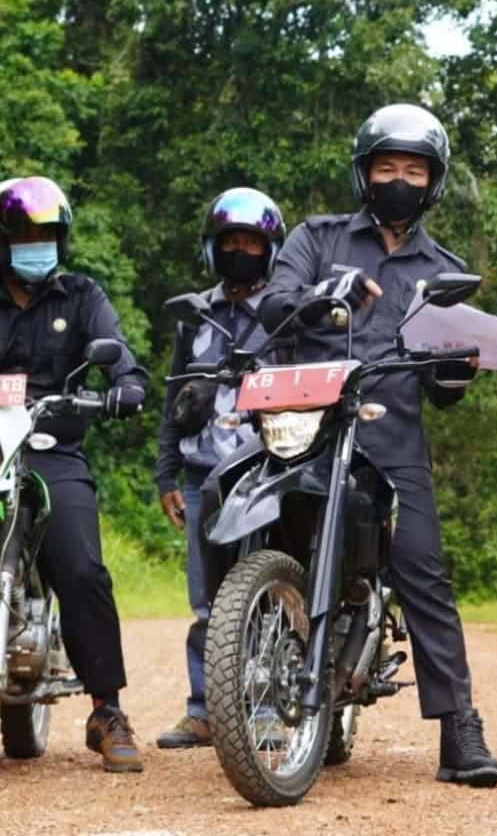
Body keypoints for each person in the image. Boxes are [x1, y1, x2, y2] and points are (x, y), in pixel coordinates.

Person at [255, 103, 497, 787]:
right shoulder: (318, 238)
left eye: (413, 170)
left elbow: (447, 392)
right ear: (364, 173)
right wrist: (324, 293)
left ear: (434, 182)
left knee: (422, 569)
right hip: (305, 434)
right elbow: (273, 307)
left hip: (392, 441)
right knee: (253, 531)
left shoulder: (443, 268)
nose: (399, 180)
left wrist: (461, 366)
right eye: (387, 167)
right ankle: (237, 680)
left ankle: (461, 729)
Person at [0, 176, 148, 772]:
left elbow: (118, 355)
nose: (38, 243)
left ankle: (106, 708)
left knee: (82, 567)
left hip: (51, 448)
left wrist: (125, 389)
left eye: (49, 234)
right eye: (24, 233)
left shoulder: (83, 296)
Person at [153, 187, 286, 749]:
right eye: (230, 241)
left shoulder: (286, 313)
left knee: (266, 592)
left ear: (270, 249)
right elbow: (173, 401)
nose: (240, 251)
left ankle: (268, 711)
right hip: (200, 475)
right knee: (207, 600)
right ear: (212, 248)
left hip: (268, 472)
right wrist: (165, 476)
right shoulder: (196, 317)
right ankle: (205, 707)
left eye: (251, 242)